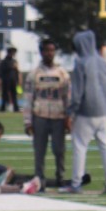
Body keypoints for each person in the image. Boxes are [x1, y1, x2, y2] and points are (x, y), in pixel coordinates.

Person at [60, 31, 106, 194]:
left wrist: (70, 112)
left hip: (86, 112)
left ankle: (76, 183)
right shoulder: (103, 62)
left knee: (80, 146)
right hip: (104, 112)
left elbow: (77, 93)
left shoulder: (81, 63)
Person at [25, 39, 71, 188]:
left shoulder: (62, 73)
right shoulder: (34, 74)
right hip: (40, 116)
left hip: (58, 116)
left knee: (59, 150)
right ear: (41, 52)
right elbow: (28, 99)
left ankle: (60, 177)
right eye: (46, 50)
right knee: (39, 151)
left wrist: (69, 117)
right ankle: (40, 179)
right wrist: (27, 121)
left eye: (52, 50)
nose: (49, 53)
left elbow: (68, 97)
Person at [0, 47, 21, 115]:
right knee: (5, 94)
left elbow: (17, 71)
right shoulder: (4, 61)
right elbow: (2, 70)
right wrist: (11, 67)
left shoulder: (14, 61)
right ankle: (3, 107)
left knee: (14, 94)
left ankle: (16, 107)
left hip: (13, 80)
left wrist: (18, 79)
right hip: (6, 80)